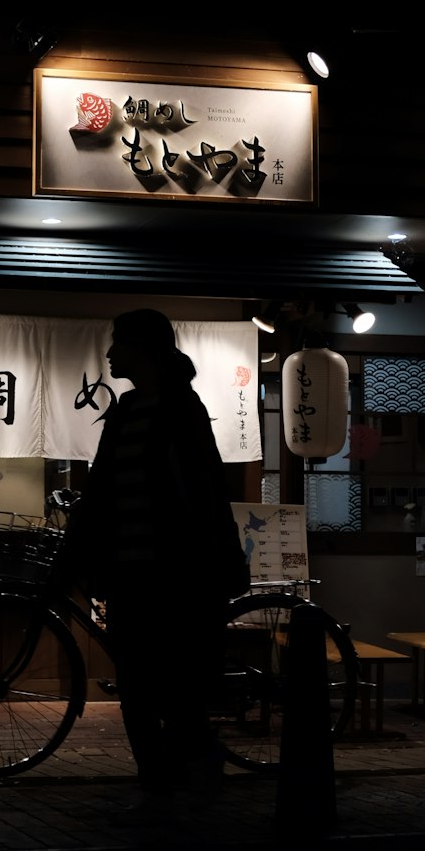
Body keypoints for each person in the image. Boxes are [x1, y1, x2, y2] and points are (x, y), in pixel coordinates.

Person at [60, 308, 249, 822]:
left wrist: (213, 561)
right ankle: (159, 787)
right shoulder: (126, 410)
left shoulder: (180, 409)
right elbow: (100, 490)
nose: (110, 353)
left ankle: (192, 773)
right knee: (139, 690)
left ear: (143, 348)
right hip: (130, 571)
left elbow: (205, 494)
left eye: (118, 343)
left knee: (173, 690)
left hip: (176, 574)